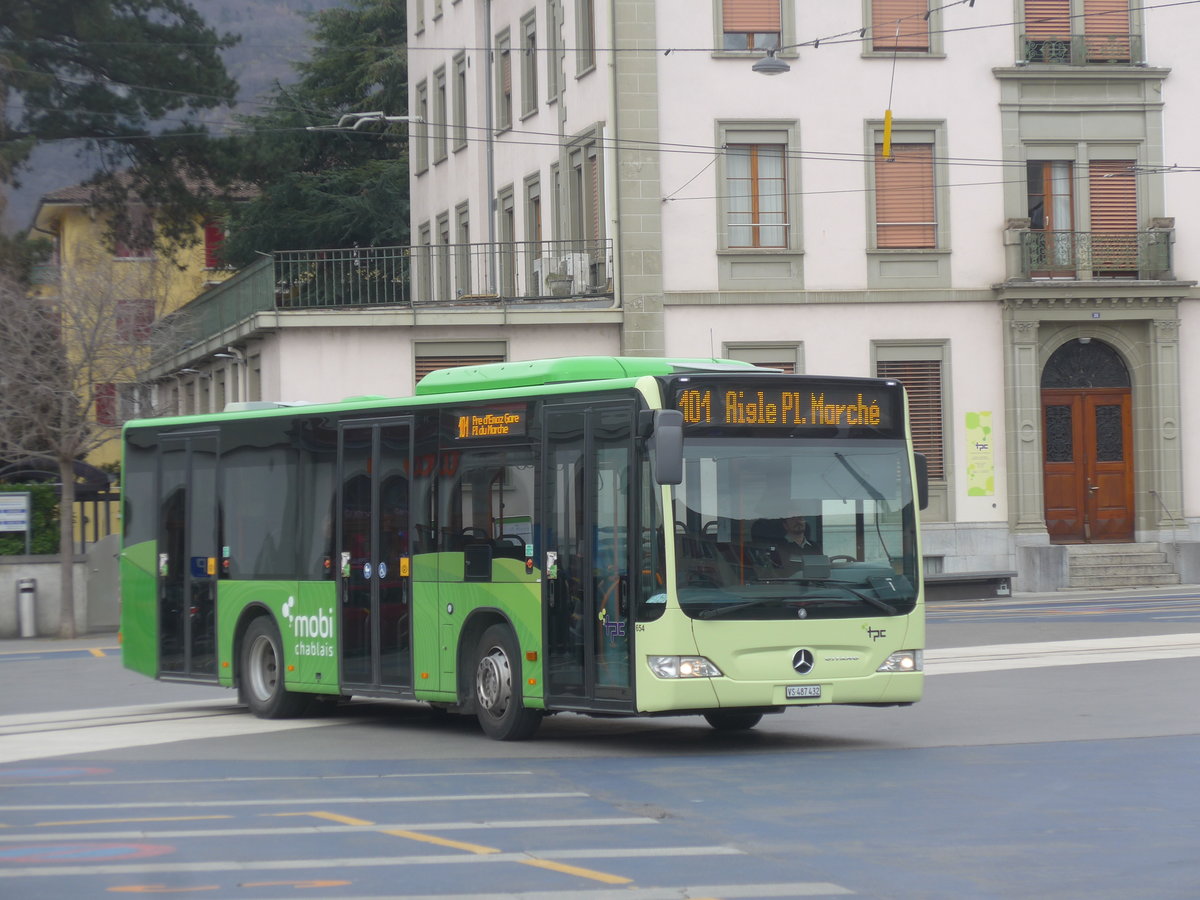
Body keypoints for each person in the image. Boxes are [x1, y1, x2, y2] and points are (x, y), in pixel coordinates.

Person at [752, 514, 818, 551]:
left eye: (800, 518)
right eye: (793, 518)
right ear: (785, 525)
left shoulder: (815, 547)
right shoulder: (778, 546)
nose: (798, 521)